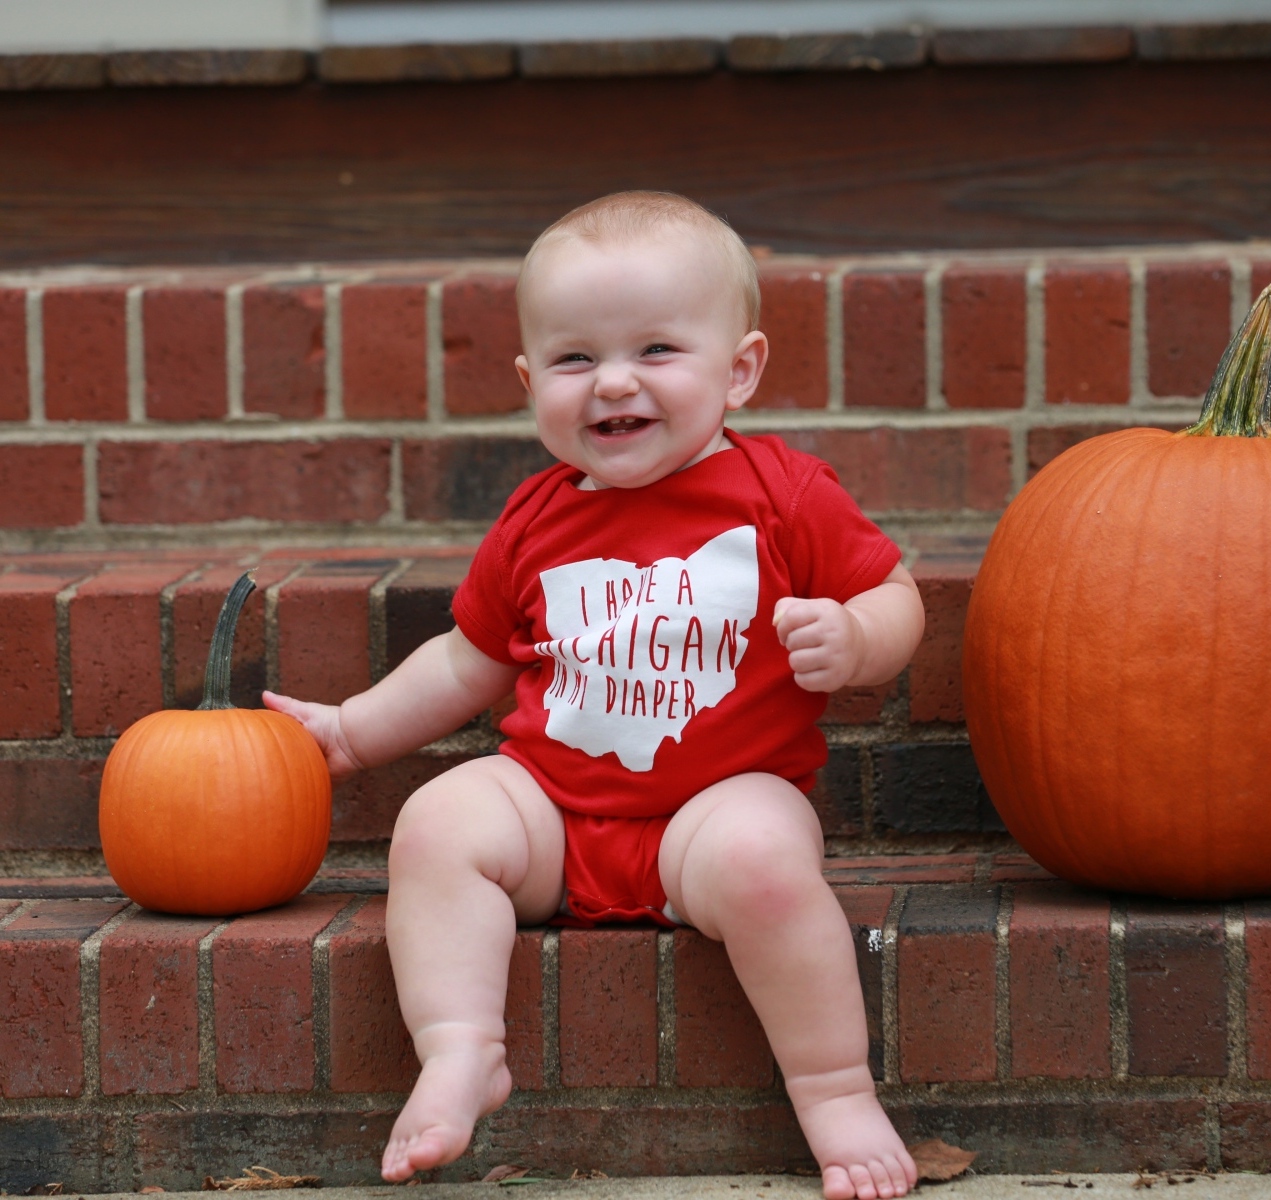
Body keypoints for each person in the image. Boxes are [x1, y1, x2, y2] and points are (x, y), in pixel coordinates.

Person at [263, 191, 925, 1200]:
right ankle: (460, 1047)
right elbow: (466, 661)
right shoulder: (535, 519)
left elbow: (894, 593)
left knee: (766, 860)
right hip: (553, 815)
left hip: (713, 815)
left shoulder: (782, 496)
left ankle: (834, 1090)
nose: (614, 380)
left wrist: (859, 636)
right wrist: (353, 734)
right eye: (575, 359)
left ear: (739, 370)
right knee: (438, 822)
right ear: (532, 383)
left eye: (657, 349)